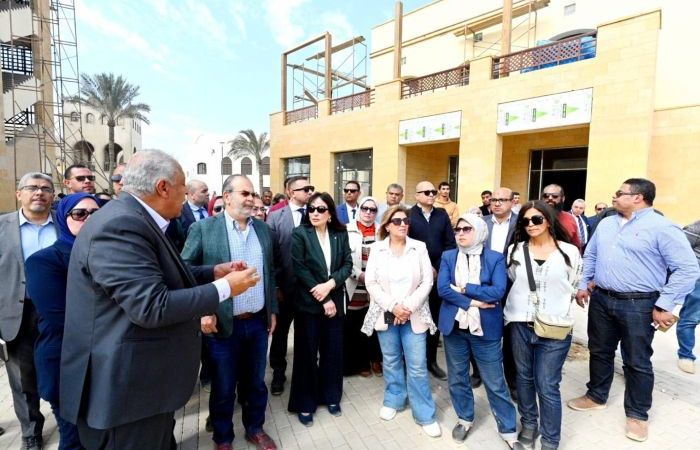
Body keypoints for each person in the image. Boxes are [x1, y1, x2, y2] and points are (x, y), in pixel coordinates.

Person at [59, 149, 261, 450]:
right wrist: (224, 288)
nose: (186, 195)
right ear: (163, 187)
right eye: (183, 187)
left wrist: (212, 271)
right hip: (125, 394)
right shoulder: (120, 225)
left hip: (144, 389)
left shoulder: (136, 218)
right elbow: (152, 306)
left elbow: (158, 275)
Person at [568, 178, 699, 442]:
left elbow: (687, 269)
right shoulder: (606, 224)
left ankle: (638, 414)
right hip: (601, 300)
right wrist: (584, 284)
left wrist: (665, 304)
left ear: (638, 197)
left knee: (637, 360)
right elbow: (591, 255)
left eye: (620, 193)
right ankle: (596, 396)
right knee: (599, 351)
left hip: (640, 305)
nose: (614, 197)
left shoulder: (663, 228)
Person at [181, 174, 279, 450]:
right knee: (223, 387)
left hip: (257, 322)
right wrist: (203, 310)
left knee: (256, 383)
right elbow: (185, 271)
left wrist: (272, 310)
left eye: (253, 194)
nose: (251, 199)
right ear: (226, 197)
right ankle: (223, 438)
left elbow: (269, 273)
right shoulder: (204, 229)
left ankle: (255, 428)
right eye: (244, 193)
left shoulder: (263, 230)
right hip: (222, 323)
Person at [505, 201, 581, 450]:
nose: (531, 224)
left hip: (555, 325)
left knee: (547, 383)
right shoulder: (516, 250)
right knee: (524, 378)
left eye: (536, 219)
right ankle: (529, 423)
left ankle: (550, 438)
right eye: (525, 221)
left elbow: (573, 283)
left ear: (548, 221)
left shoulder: (569, 252)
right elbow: (514, 280)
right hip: (519, 323)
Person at [25, 193, 99, 450]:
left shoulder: (110, 255)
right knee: (75, 440)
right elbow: (62, 317)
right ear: (63, 218)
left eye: (96, 213)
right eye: (80, 214)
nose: (88, 219)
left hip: (104, 365)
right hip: (66, 365)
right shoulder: (44, 261)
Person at [437, 213, 517, 448]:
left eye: (467, 229)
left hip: (485, 329)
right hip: (454, 328)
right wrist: (474, 302)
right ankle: (465, 418)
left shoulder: (494, 258)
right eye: (457, 229)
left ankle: (509, 429)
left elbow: (498, 291)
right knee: (457, 378)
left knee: (495, 381)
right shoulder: (449, 256)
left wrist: (464, 289)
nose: (460, 233)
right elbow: (443, 289)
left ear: (480, 231)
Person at [361, 205, 441, 437]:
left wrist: (407, 308)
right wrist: (393, 306)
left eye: (406, 220)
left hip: (413, 313)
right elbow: (371, 282)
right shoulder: (377, 249)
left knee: (417, 365)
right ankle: (394, 399)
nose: (403, 224)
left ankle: (424, 413)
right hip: (386, 313)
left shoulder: (419, 247)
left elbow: (427, 281)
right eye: (397, 221)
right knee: (391, 360)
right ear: (387, 226)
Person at [0, 172, 58, 449]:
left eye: (45, 188)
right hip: (17, 312)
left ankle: (72, 422)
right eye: (32, 187)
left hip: (59, 312)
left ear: (53, 196)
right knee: (23, 379)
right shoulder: (2, 227)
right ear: (18, 193)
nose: (39, 192)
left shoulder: (65, 223)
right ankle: (31, 432)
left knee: (65, 368)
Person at [288, 192, 352, 426]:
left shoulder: (340, 234)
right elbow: (300, 268)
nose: (315, 213)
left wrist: (330, 284)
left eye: (321, 209)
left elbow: (347, 264)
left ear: (330, 213)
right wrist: (323, 297)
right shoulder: (300, 233)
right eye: (312, 209)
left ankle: (331, 396)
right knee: (306, 353)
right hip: (309, 304)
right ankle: (305, 402)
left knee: (332, 351)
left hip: (335, 300)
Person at [267, 176, 314, 396]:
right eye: (305, 189)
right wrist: (275, 287)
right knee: (280, 335)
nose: (309, 192)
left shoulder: (316, 214)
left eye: (311, 188)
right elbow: (270, 256)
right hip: (284, 289)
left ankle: (306, 372)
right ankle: (278, 372)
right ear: (291, 192)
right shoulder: (275, 217)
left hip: (310, 289)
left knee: (307, 333)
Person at [408, 181, 456, 380]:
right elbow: (405, 245)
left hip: (438, 274)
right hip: (414, 275)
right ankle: (412, 361)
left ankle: (431, 361)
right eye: (426, 192)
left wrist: (437, 267)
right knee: (413, 317)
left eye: (433, 192)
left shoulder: (441, 215)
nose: (431, 195)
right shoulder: (408, 215)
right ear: (417, 195)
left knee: (433, 318)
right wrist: (425, 269)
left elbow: (450, 244)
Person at [483, 187, 518, 393]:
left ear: (512, 202)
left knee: (511, 334)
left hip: (513, 285)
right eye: (494, 199)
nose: (496, 203)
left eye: (502, 200)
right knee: (483, 330)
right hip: (485, 285)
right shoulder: (482, 223)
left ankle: (512, 380)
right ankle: (479, 373)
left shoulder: (521, 223)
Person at [344, 196, 382, 377]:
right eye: (365, 208)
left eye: (372, 210)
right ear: (359, 209)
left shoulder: (382, 231)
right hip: (355, 284)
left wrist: (374, 279)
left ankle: (375, 359)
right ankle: (360, 364)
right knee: (355, 324)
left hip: (376, 286)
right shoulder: (347, 230)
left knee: (374, 323)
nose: (368, 212)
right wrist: (360, 275)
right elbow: (343, 258)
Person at [677, 219, 700, 374]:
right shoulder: (696, 227)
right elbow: (679, 250)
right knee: (690, 318)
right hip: (698, 281)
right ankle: (686, 355)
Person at [541, 184, 581, 249]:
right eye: (546, 196)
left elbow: (576, 246)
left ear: (563, 198)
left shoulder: (569, 218)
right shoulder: (532, 216)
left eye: (555, 196)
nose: (550, 198)